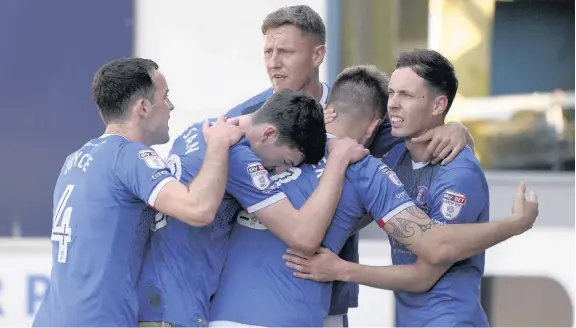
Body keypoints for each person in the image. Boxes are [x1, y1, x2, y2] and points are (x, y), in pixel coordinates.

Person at [209, 65, 539, 327]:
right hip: (291, 319)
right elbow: (436, 245)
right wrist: (516, 223)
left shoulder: (251, 143)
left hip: (218, 315)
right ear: (372, 129)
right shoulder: (365, 169)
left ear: (329, 109)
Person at [224, 5, 476, 326]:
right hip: (249, 298)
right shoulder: (247, 115)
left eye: (285, 51)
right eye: (268, 51)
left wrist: (457, 130)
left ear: (318, 55)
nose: (274, 62)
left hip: (329, 293)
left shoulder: (362, 111)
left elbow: (429, 142)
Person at [32, 58, 244, 327]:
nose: (171, 106)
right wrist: (218, 143)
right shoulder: (130, 156)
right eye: (165, 97)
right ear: (143, 107)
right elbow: (199, 209)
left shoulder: (74, 159)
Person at [136, 89, 368, 327]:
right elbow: (303, 237)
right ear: (269, 133)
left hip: (154, 301)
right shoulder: (237, 157)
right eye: (285, 161)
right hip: (177, 312)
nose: (278, 171)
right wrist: (337, 162)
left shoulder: (199, 129)